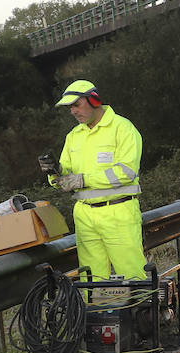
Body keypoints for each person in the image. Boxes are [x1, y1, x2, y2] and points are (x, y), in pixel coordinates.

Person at [42, 80, 146, 280]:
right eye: (70, 107)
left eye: (76, 105)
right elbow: (66, 174)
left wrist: (83, 180)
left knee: (132, 271)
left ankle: (140, 310)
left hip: (119, 212)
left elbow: (126, 172)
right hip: (84, 214)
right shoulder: (74, 136)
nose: (72, 111)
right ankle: (96, 310)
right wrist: (54, 173)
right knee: (91, 276)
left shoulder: (123, 128)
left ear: (94, 100)